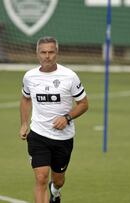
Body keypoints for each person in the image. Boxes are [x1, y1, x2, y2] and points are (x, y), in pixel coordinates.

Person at [19, 36, 89, 203]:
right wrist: (23, 124)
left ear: (57, 53)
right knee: (41, 177)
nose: (47, 56)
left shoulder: (70, 76)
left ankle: (55, 191)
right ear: (37, 53)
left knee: (58, 180)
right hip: (38, 134)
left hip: (63, 137)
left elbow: (84, 104)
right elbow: (25, 99)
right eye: (43, 52)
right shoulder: (30, 76)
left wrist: (67, 117)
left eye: (51, 52)